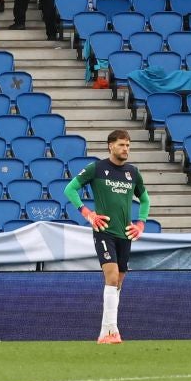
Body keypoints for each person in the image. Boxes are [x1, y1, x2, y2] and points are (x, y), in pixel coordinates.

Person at [63, 129, 150, 344]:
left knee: (118, 283)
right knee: (111, 277)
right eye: (121, 145)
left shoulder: (133, 173)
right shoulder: (97, 168)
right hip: (104, 232)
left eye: (128, 145)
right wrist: (88, 214)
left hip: (125, 233)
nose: (126, 149)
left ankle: (104, 333)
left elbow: (145, 199)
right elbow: (70, 189)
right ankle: (113, 331)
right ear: (110, 146)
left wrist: (140, 223)